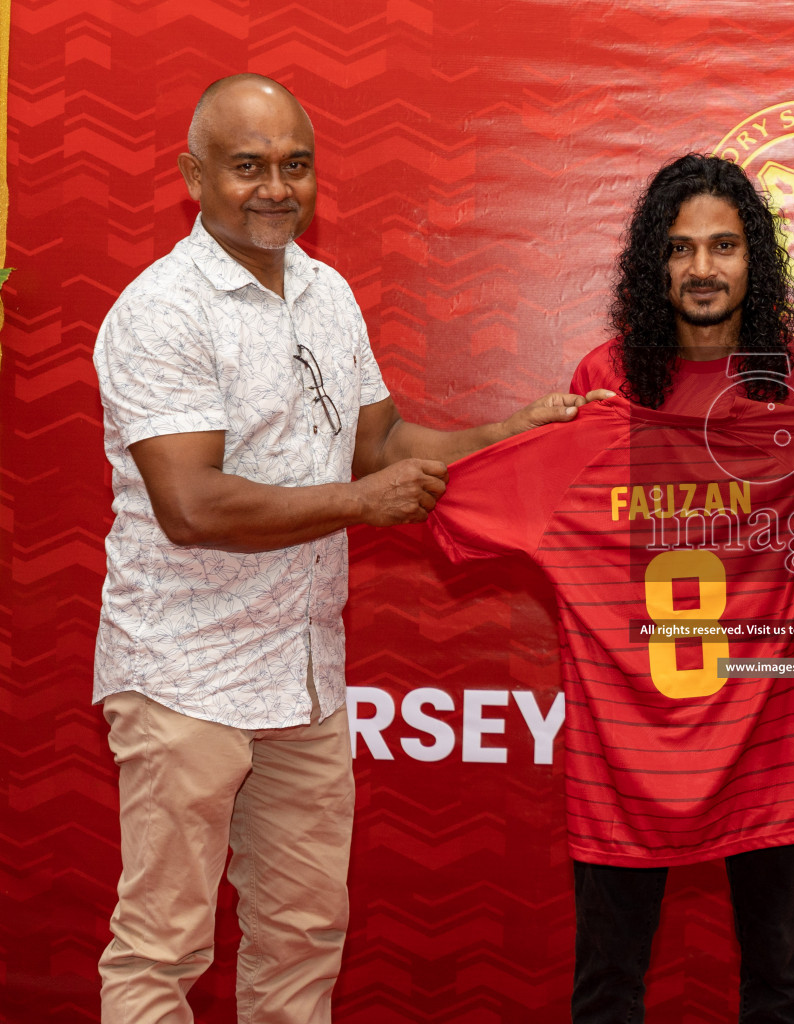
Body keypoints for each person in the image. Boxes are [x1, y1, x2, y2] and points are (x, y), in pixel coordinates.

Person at [91, 73, 600, 1024]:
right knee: (164, 947)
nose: (275, 188)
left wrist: (517, 430)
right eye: (247, 167)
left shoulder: (327, 294)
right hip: (181, 676)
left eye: (295, 165)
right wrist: (362, 504)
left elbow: (388, 446)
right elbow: (191, 505)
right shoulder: (162, 310)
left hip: (304, 678)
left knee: (302, 936)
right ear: (192, 176)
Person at [430, 154, 794, 1024]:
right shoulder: (605, 384)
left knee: (780, 988)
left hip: (767, 743)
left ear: (755, 260)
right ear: (655, 264)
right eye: (681, 250)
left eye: (723, 246)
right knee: (608, 991)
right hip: (624, 754)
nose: (704, 269)